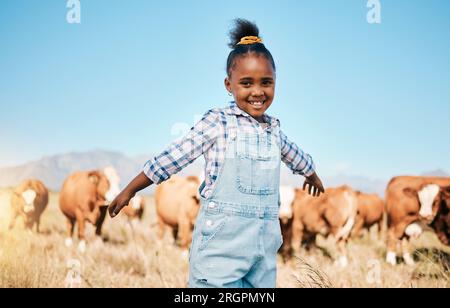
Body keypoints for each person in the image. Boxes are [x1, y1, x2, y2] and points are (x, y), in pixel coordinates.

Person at [108, 18, 324, 288]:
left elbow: (296, 155)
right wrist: (130, 189)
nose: (257, 92)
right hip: (221, 248)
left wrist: (311, 174)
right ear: (228, 84)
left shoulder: (274, 131)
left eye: (266, 83)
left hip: (263, 251)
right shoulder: (218, 122)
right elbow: (173, 157)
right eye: (246, 83)